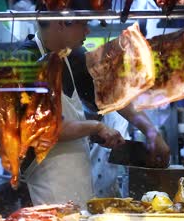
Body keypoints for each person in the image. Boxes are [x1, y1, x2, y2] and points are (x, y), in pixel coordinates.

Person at [13, 0, 170, 206]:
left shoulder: (72, 57)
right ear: (62, 23)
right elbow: (44, 127)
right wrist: (96, 127)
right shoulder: (25, 61)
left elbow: (111, 95)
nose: (88, 29)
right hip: (44, 197)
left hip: (77, 190)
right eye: (84, 22)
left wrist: (151, 131)